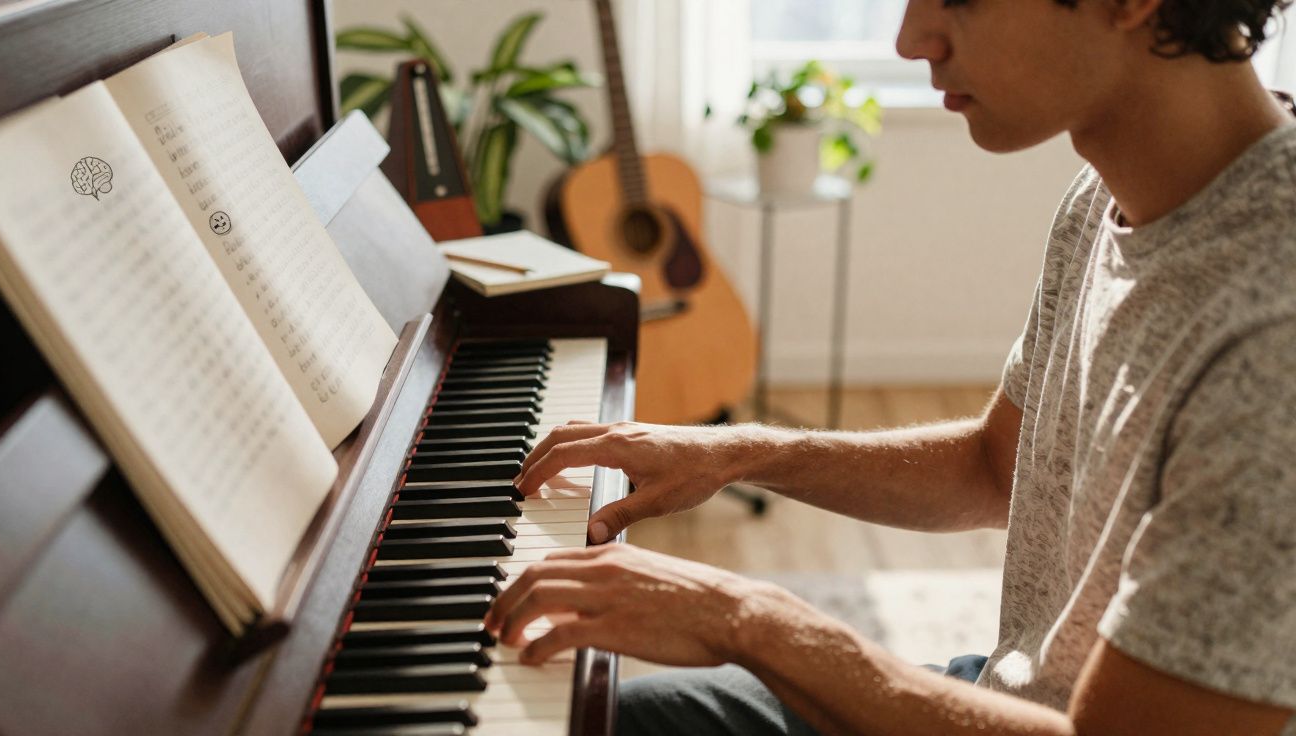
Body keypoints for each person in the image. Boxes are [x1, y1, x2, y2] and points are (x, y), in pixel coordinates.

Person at [483, 0, 1296, 733]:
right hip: (1005, 696)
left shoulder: (1273, 333)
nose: (912, 39)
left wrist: (751, 619)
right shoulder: (1105, 195)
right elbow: (996, 468)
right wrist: (741, 454)